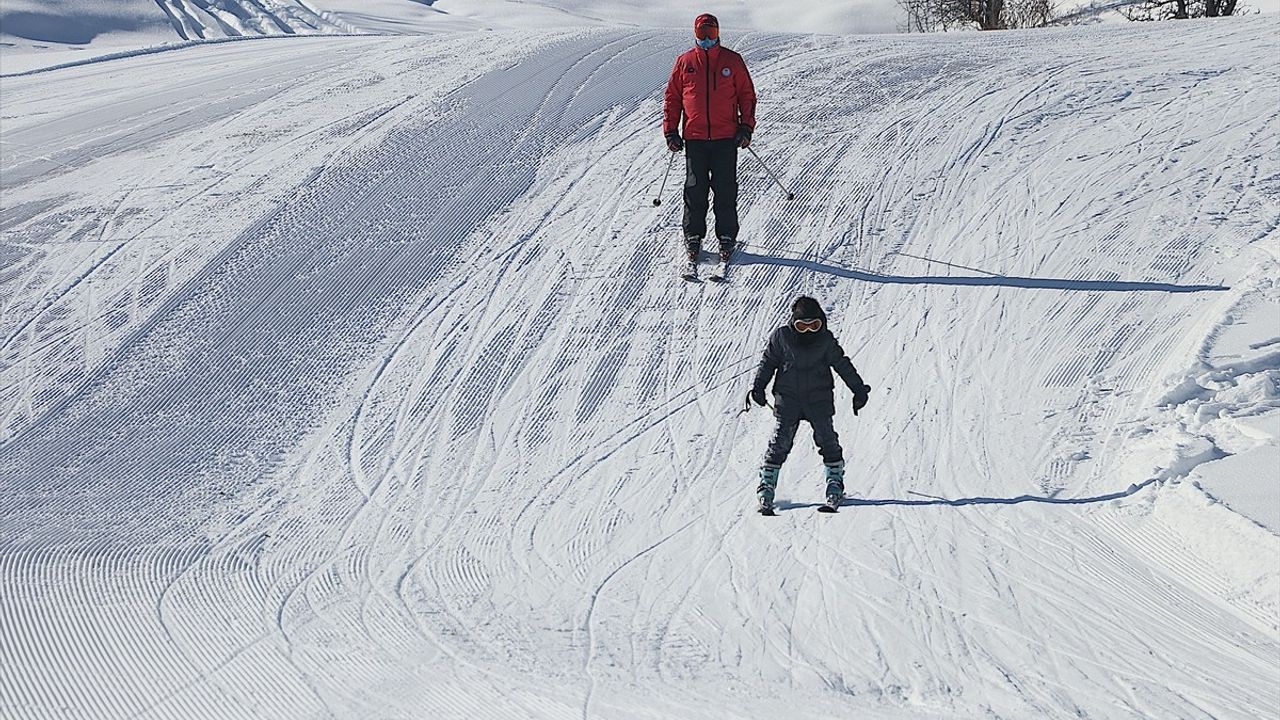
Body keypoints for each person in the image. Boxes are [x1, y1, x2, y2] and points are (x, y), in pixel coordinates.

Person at [749, 296, 871, 513]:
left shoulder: (825, 341)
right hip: (789, 401)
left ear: (821, 323)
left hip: (818, 400)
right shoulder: (782, 337)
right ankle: (767, 486)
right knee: (780, 442)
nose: (808, 331)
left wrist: (858, 389)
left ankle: (835, 484)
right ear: (793, 323)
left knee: (827, 440)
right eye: (802, 326)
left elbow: (842, 364)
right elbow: (768, 362)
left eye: (813, 326)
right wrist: (758, 387)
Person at [663, 13, 756, 273]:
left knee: (725, 188)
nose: (706, 39)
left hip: (726, 137)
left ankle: (726, 235)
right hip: (695, 138)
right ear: (695, 34)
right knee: (695, 188)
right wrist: (671, 131)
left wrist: (746, 126)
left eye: (711, 34)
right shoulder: (685, 62)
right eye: (702, 34)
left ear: (718, 33)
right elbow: (673, 98)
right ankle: (693, 235)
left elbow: (747, 95)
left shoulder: (732, 61)